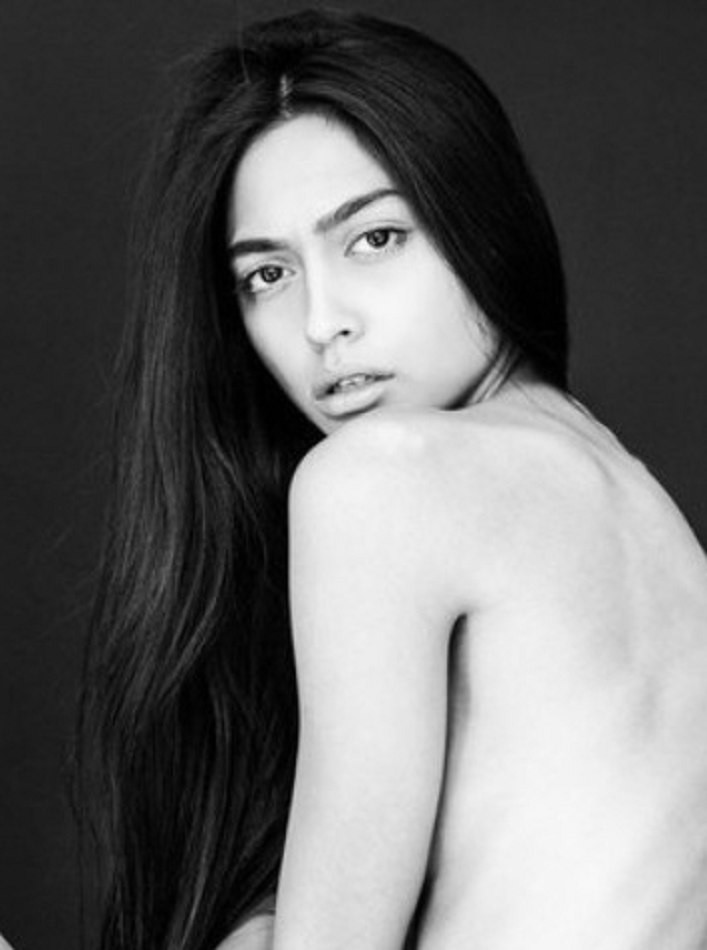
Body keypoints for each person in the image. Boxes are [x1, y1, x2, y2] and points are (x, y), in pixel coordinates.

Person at [79, 8, 707, 950]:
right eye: (266, 276)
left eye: (372, 239)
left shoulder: (384, 477)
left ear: (476, 219)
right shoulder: (643, 515)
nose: (321, 322)